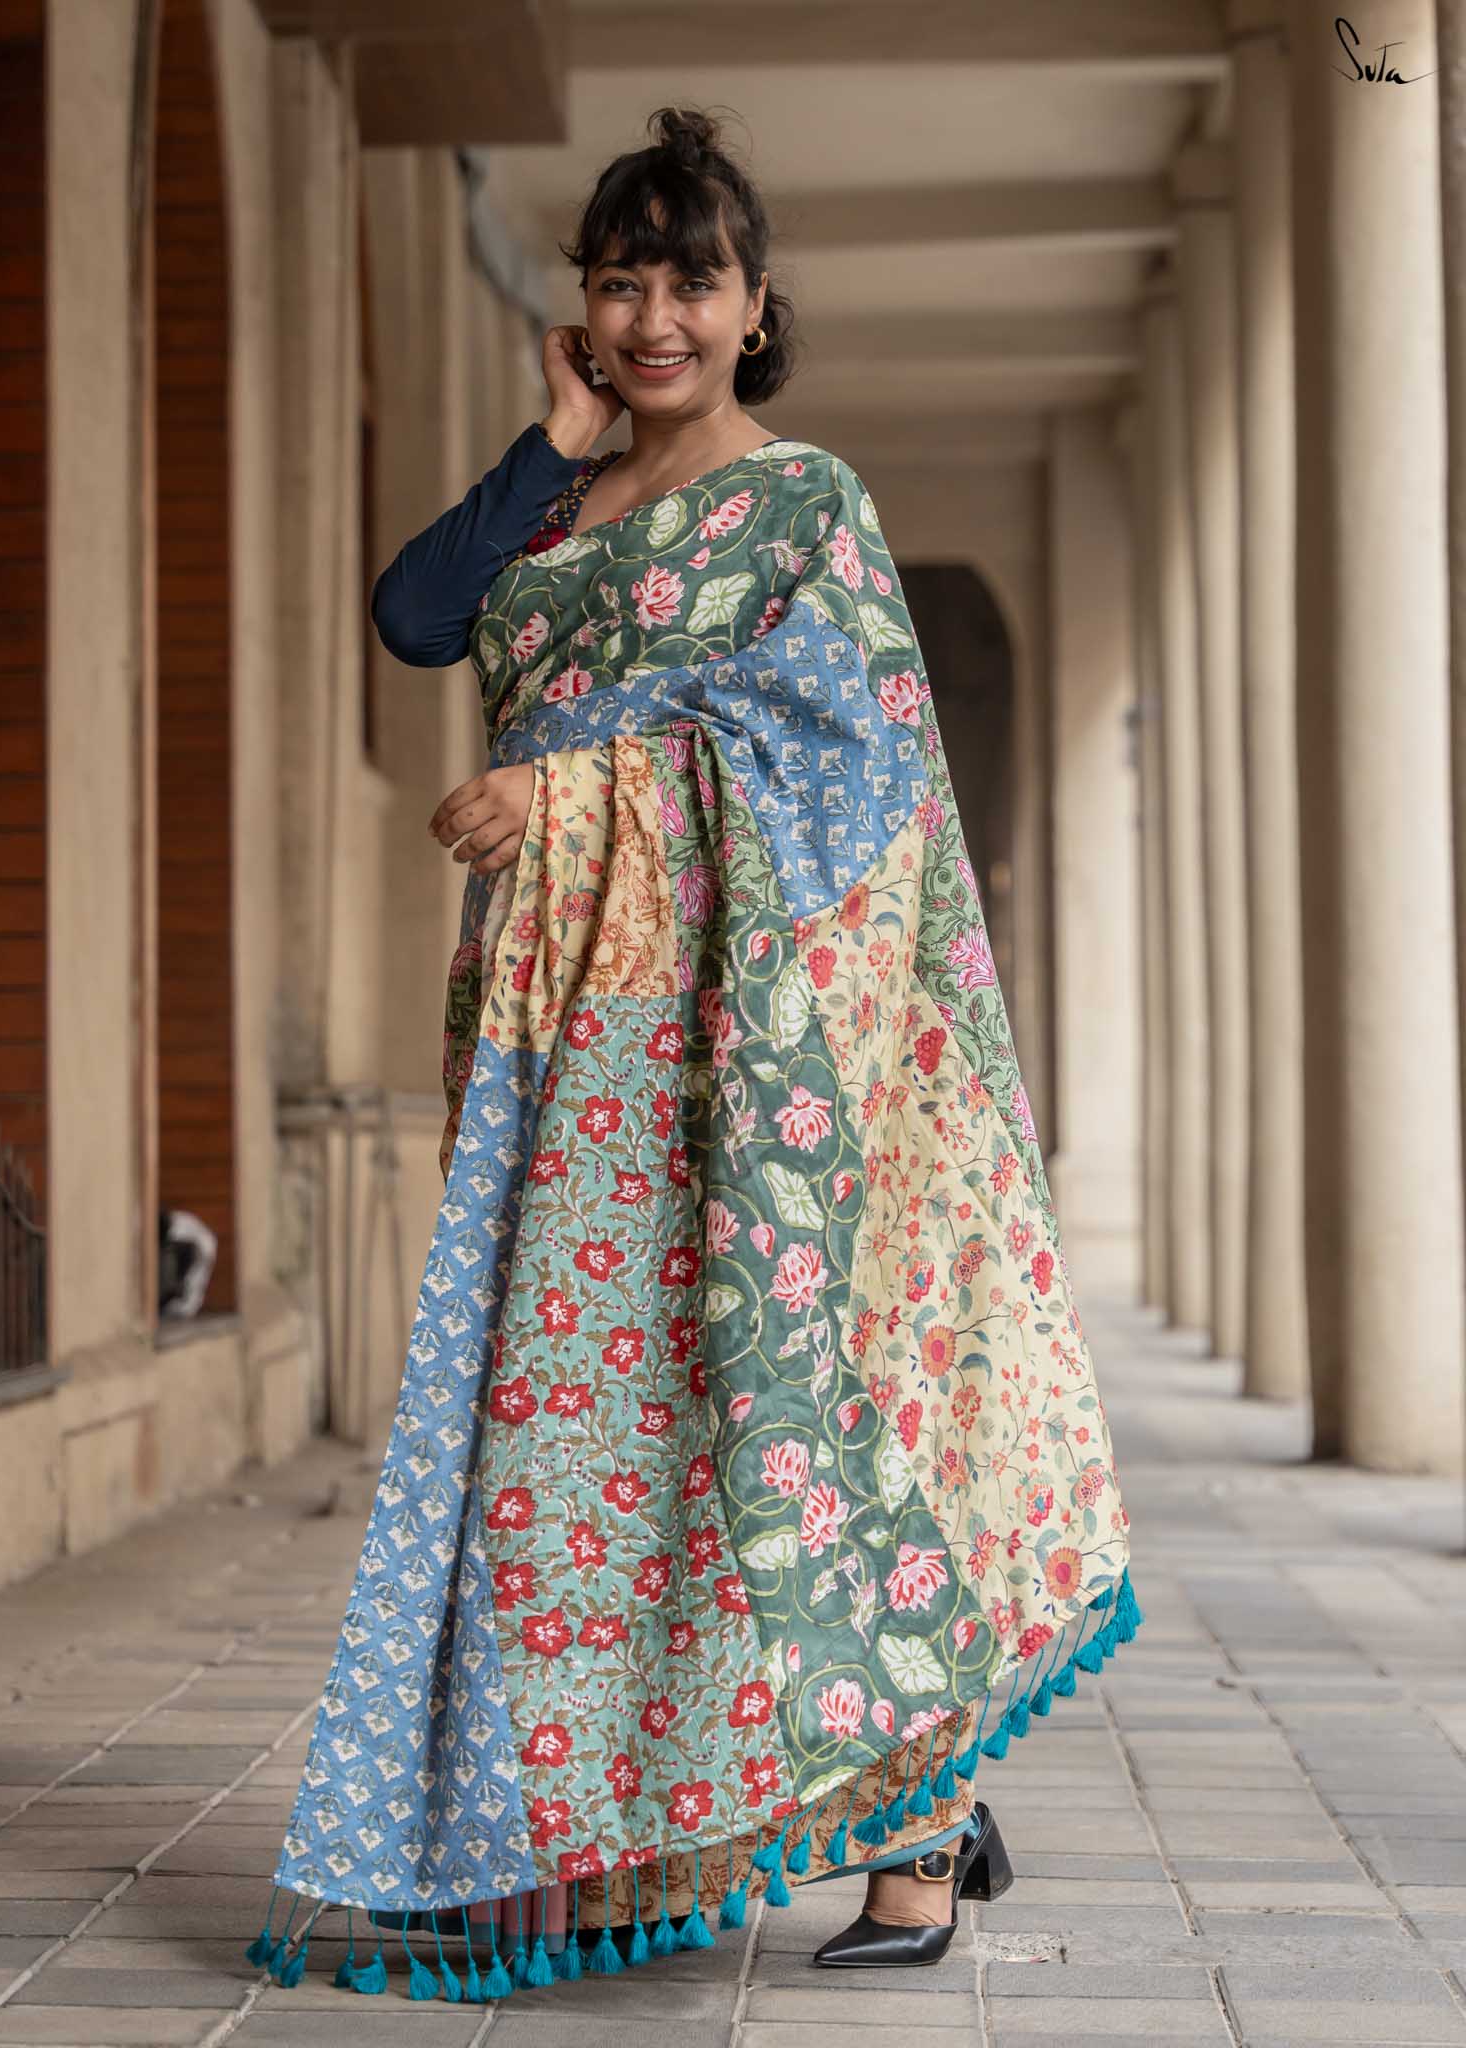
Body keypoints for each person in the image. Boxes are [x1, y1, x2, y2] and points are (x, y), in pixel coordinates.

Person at [246, 105, 1137, 2005]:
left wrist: (574, 800)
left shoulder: (804, 509)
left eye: (693, 284)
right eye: (621, 282)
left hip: (741, 1051)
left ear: (756, 307)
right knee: (572, 1438)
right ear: (583, 309)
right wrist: (550, 446)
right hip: (555, 1036)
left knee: (786, 1410)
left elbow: (852, 779)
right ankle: (583, 1844)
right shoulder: (559, 504)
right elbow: (413, 617)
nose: (655, 318)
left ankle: (919, 1827)